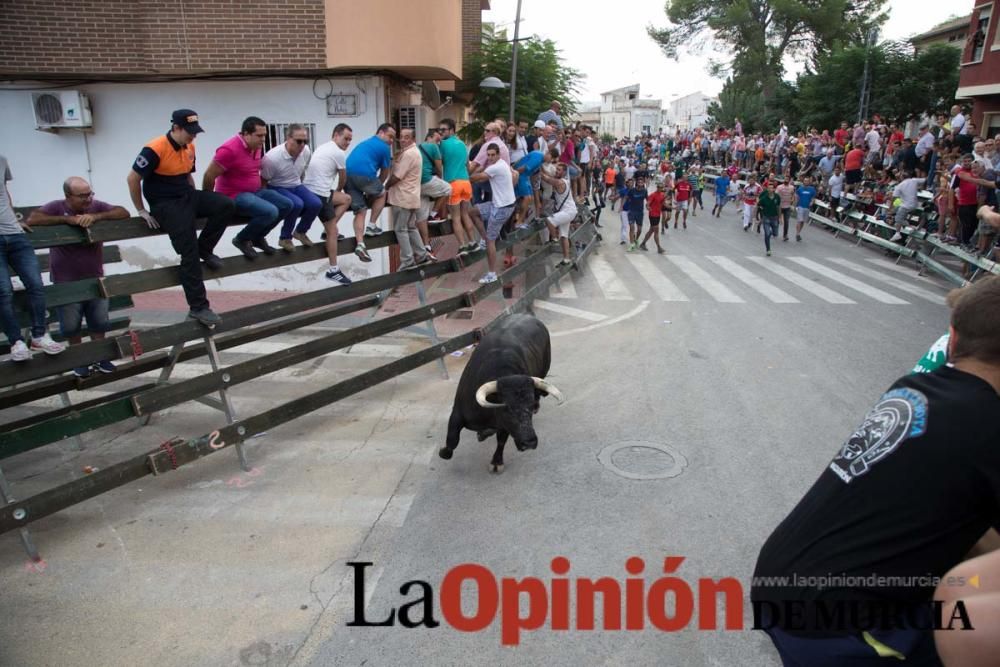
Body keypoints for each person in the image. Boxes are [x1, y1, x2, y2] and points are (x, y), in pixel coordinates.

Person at [752, 275, 1000, 666]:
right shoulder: (990, 426)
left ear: (952, 339)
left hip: (778, 580)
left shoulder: (914, 389)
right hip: (836, 625)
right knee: (977, 627)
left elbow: (954, 508)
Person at [127, 109, 234, 327]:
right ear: (175, 128)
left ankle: (206, 248)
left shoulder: (190, 146)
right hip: (165, 203)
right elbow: (132, 179)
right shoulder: (154, 149)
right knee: (188, 251)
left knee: (226, 204)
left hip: (185, 195)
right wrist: (141, 210)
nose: (193, 137)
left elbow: (188, 175)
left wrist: (197, 200)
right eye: (189, 132)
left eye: (195, 133)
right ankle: (199, 306)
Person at [27, 177, 129, 375]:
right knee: (71, 325)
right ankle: (79, 360)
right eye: (82, 196)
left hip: (94, 277)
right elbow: (33, 219)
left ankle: (99, 357)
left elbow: (122, 212)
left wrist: (97, 217)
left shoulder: (95, 205)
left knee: (99, 321)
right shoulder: (56, 207)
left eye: (90, 193)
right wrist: (68, 220)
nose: (88, 199)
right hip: (66, 280)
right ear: (68, 196)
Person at [0, 155, 67, 361]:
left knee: (36, 284)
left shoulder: (1, 159)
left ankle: (39, 335)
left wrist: (14, 219)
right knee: (3, 292)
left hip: (15, 234)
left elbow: (4, 192)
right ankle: (16, 342)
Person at [203, 116, 292, 259]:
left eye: (264, 135)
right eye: (259, 136)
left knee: (286, 205)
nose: (263, 139)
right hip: (233, 196)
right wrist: (210, 201)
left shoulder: (256, 146)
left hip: (254, 192)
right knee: (270, 211)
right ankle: (242, 239)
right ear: (246, 134)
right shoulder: (229, 150)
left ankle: (257, 237)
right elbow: (209, 175)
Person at [302, 123, 353, 285]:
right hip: (320, 194)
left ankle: (327, 229)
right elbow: (343, 178)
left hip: (310, 191)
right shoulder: (338, 153)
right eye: (345, 138)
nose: (347, 143)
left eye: (350, 140)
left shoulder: (322, 147)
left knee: (346, 199)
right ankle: (333, 270)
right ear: (335, 135)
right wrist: (338, 189)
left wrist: (335, 193)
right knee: (333, 231)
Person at [261, 124, 321, 251]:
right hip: (277, 185)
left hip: (296, 184)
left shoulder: (306, 151)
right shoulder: (272, 157)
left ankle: (300, 231)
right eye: (299, 141)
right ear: (288, 138)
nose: (302, 144)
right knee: (296, 204)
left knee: (316, 203)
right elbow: (263, 181)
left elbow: (302, 171)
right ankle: (285, 238)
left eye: (305, 141)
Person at [342, 123, 396, 262]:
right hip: (364, 175)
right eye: (390, 136)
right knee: (382, 193)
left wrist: (370, 189)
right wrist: (375, 189)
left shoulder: (366, 143)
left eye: (393, 138)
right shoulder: (384, 148)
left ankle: (360, 244)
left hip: (347, 176)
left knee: (360, 210)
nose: (391, 141)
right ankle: (371, 225)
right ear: (381, 133)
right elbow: (385, 173)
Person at [468, 143, 517, 283]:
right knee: (472, 212)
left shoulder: (497, 167)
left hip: (503, 208)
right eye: (488, 155)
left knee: (491, 241)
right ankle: (484, 238)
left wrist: (463, 173)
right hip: (498, 204)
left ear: (498, 155)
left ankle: (491, 274)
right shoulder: (501, 164)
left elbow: (476, 178)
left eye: (492, 155)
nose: (489, 157)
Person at [387, 128, 433, 270]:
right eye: (401, 137)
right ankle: (421, 254)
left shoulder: (408, 154)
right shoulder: (414, 152)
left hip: (403, 197)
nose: (402, 140)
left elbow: (397, 176)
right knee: (411, 227)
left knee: (400, 229)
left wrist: (384, 187)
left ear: (413, 139)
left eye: (406, 137)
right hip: (412, 197)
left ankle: (407, 260)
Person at [437, 118, 476, 252]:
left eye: (443, 129)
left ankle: (462, 246)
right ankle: (472, 242)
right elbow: (467, 164)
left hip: (452, 183)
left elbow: (438, 163)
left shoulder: (442, 144)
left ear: (452, 130)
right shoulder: (462, 144)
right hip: (466, 182)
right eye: (439, 129)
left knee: (456, 217)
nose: (440, 132)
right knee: (465, 214)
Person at [416, 128, 452, 250]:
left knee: (421, 217)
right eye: (437, 139)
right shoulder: (433, 147)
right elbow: (439, 168)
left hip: (416, 185)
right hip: (426, 180)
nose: (438, 142)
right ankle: (434, 214)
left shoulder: (417, 147)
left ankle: (426, 245)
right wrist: (440, 180)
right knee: (447, 189)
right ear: (430, 137)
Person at [540, 162, 578, 266]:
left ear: (564, 172)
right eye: (556, 169)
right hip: (568, 211)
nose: (557, 171)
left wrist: (537, 168)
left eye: (559, 170)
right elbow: (547, 175)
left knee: (549, 220)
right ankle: (566, 259)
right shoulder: (565, 180)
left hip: (568, 211)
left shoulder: (560, 182)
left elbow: (546, 178)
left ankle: (554, 238)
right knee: (564, 236)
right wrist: (542, 168)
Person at [888, 171, 924, 242]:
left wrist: (890, 207)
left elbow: (894, 198)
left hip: (906, 205)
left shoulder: (900, 186)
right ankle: (898, 232)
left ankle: (909, 227)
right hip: (912, 204)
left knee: (898, 219)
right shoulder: (913, 180)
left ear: (902, 177)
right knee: (895, 214)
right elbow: (924, 180)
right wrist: (920, 187)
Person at [639, 182, 666, 253]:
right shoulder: (653, 195)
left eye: (661, 187)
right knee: (656, 231)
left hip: (658, 215)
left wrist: (673, 207)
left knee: (651, 230)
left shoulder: (662, 195)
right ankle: (659, 247)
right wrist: (648, 207)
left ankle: (643, 243)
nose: (660, 189)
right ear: (657, 187)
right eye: (659, 187)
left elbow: (663, 204)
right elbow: (647, 203)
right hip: (652, 215)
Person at [758, 180, 781, 257]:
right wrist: (757, 217)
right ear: (767, 189)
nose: (771, 190)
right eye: (769, 188)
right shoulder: (764, 198)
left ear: (774, 189)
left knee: (775, 234)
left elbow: (778, 207)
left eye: (772, 188)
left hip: (774, 217)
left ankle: (771, 232)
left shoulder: (777, 197)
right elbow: (758, 205)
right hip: (766, 217)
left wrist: (780, 217)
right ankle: (768, 249)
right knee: (767, 234)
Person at [624, 177, 648, 251]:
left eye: (641, 182)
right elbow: (626, 197)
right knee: (632, 227)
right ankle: (631, 245)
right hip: (632, 211)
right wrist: (624, 206)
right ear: (636, 183)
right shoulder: (632, 190)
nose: (640, 183)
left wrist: (648, 206)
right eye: (639, 182)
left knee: (639, 229)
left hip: (640, 212)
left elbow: (648, 200)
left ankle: (636, 239)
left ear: (643, 183)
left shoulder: (645, 191)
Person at [794, 175, 817, 242]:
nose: (806, 182)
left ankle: (798, 233)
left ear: (809, 182)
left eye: (807, 181)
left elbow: (813, 198)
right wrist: (795, 205)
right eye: (805, 181)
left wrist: (812, 202)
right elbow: (796, 197)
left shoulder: (812, 189)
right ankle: (798, 234)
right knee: (799, 220)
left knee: (803, 221)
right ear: (803, 182)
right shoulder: (800, 189)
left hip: (807, 207)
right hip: (800, 206)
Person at [775, 178, 795, 242]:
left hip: (787, 206)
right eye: (785, 179)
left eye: (787, 179)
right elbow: (776, 195)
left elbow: (793, 195)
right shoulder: (779, 187)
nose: (786, 180)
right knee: (777, 220)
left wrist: (792, 203)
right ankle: (775, 231)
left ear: (789, 180)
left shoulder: (792, 187)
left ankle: (785, 235)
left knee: (786, 221)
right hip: (780, 206)